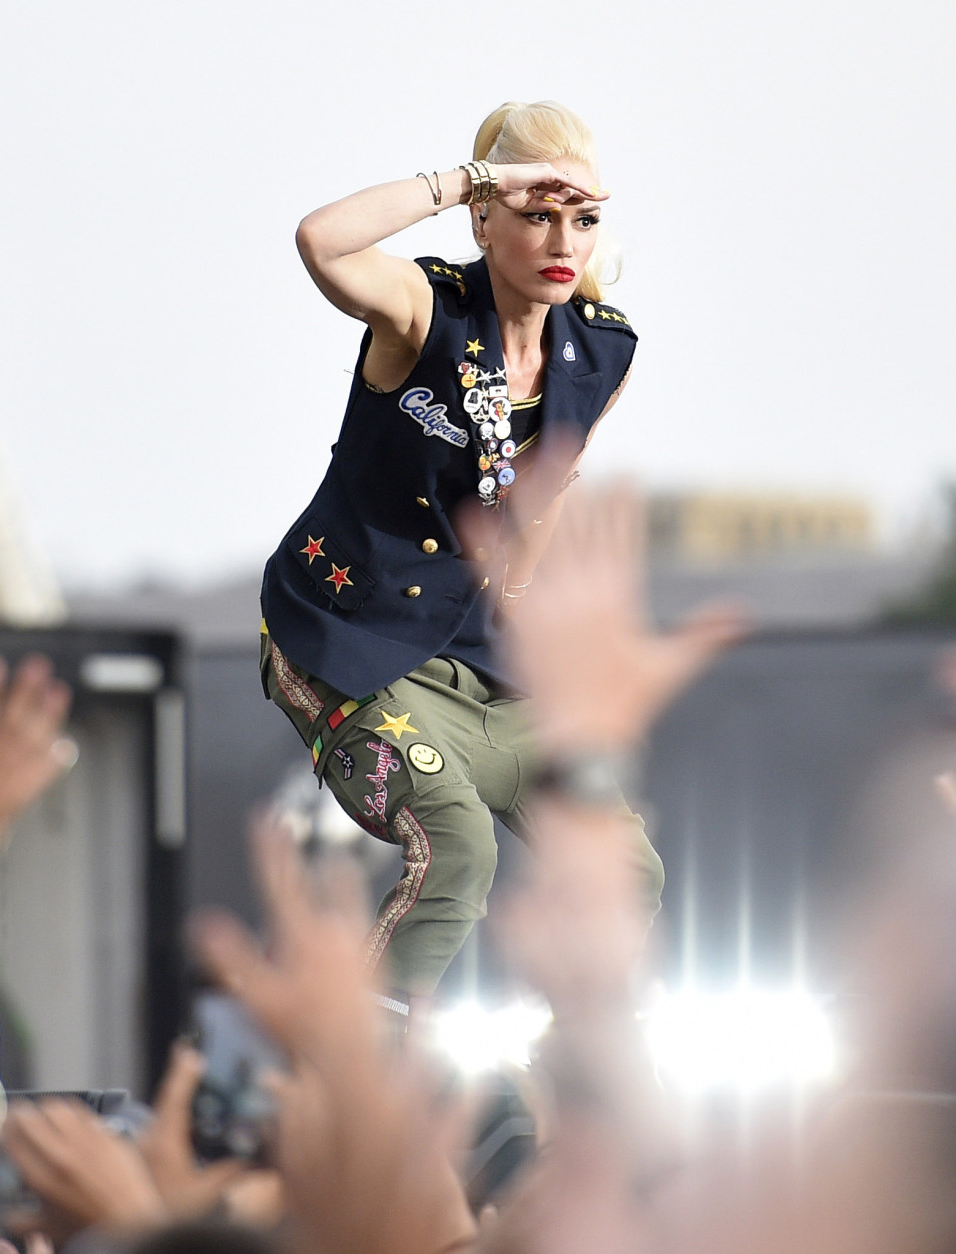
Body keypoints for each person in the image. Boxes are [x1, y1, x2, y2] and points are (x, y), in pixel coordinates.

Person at [258, 100, 679, 1001]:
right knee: (457, 848)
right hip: (350, 640)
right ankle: (365, 1082)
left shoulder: (603, 352)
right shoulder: (426, 309)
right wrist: (470, 180)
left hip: (485, 663)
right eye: (535, 212)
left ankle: (580, 1092)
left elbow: (540, 508)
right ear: (485, 219)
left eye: (582, 216)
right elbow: (320, 240)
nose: (561, 237)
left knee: (624, 868)